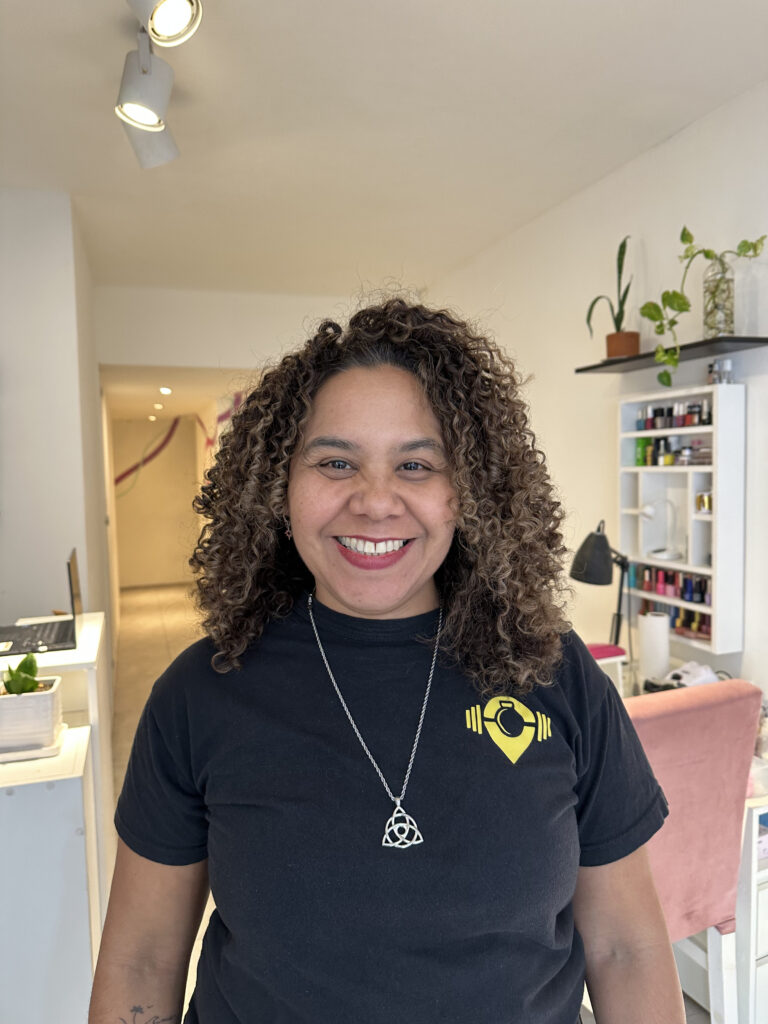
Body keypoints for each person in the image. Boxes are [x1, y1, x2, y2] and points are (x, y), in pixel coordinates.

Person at [89, 298, 686, 1024]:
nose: (375, 502)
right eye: (336, 462)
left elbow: (626, 949)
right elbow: (142, 960)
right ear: (279, 487)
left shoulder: (553, 672)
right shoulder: (201, 691)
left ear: (468, 493)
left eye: (416, 465)